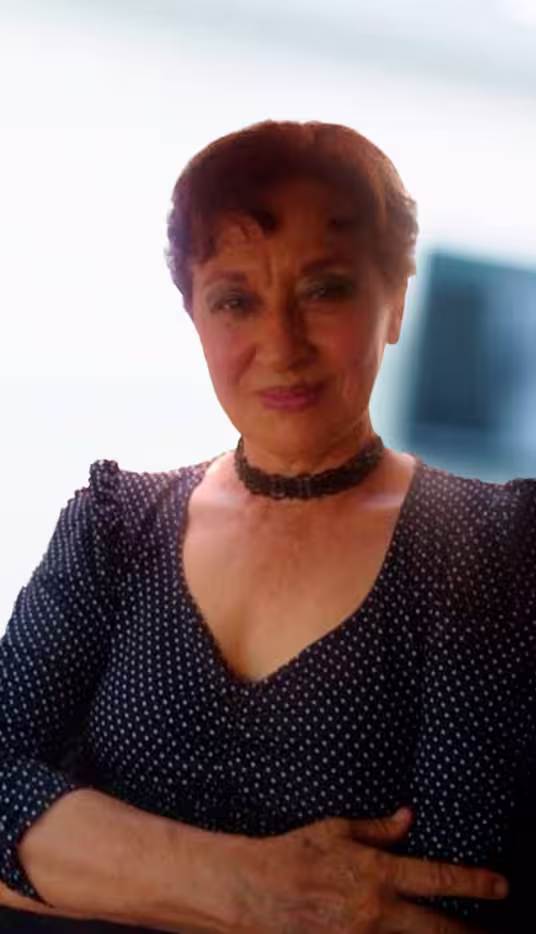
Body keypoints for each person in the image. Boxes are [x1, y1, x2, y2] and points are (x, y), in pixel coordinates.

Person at [0, 119, 533, 934]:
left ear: (394, 300)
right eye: (236, 301)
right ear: (194, 316)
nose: (280, 347)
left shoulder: (492, 547)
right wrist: (250, 887)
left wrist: (79, 857)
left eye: (324, 291)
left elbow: (449, 897)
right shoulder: (114, 526)